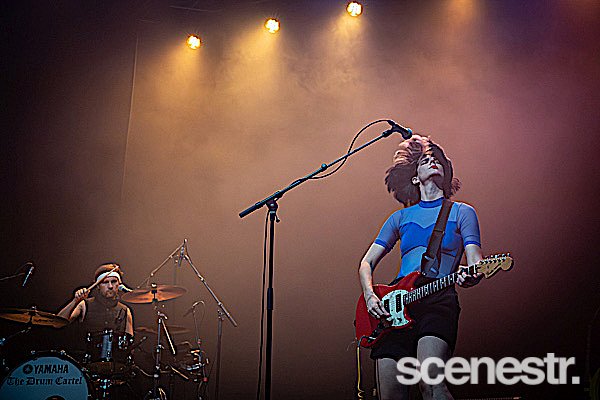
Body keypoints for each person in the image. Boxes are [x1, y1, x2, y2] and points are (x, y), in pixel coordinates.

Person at [358, 135, 483, 400]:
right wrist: (370, 296)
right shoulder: (399, 217)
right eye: (425, 160)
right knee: (390, 395)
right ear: (415, 178)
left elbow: (476, 261)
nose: (432, 161)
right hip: (396, 304)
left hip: (438, 299)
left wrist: (472, 274)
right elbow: (366, 262)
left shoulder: (462, 212)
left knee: (431, 385)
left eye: (437, 160)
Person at [58, 263, 134, 336]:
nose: (110, 286)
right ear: (98, 286)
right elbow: (57, 323)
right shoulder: (85, 305)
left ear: (119, 284)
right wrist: (75, 301)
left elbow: (129, 339)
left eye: (114, 281)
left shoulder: (125, 310)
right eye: (105, 282)